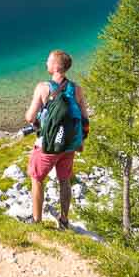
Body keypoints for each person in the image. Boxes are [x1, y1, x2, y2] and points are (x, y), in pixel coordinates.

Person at [24, 49, 89, 228]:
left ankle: (36, 220)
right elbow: (84, 118)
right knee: (64, 180)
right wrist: (81, 141)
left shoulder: (43, 87)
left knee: (37, 179)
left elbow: (30, 117)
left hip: (48, 145)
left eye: (48, 61)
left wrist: (38, 124)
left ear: (55, 66)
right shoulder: (76, 89)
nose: (46, 63)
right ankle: (64, 220)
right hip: (69, 144)